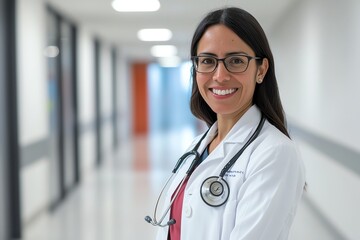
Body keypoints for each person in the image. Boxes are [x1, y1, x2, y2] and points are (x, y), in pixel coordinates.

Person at [147, 7, 305, 240]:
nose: (220, 75)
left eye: (236, 61)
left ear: (261, 70)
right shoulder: (199, 145)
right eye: (208, 61)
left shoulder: (275, 153)